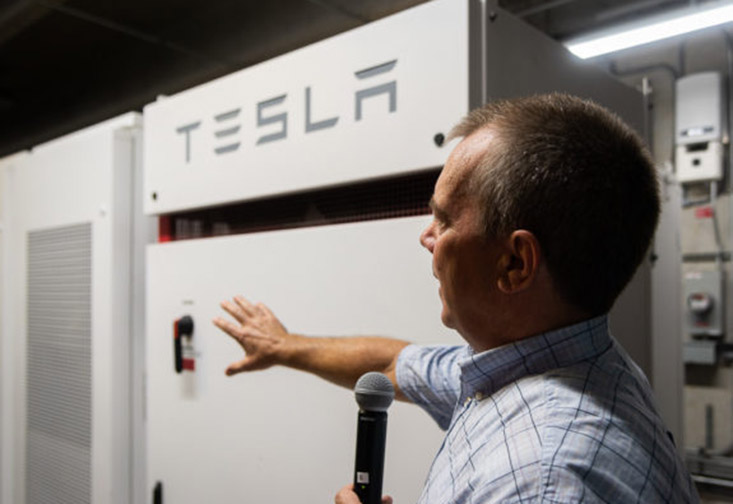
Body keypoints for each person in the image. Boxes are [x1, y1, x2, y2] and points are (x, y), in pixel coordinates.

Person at [213, 93, 698, 503]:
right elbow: (391, 364)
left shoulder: (542, 480)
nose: (427, 236)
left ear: (515, 264)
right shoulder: (552, 364)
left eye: (444, 219)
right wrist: (282, 345)